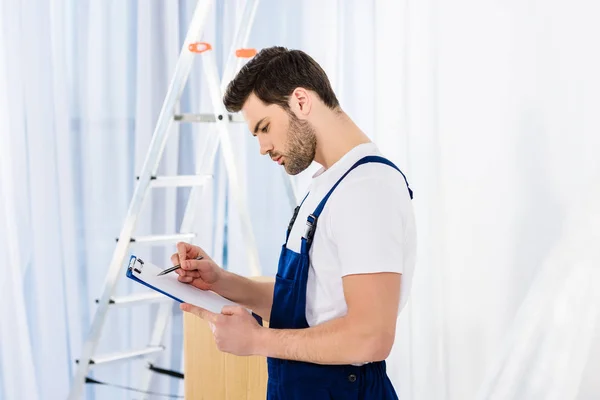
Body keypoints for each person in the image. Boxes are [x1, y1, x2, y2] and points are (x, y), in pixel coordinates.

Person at [172, 46, 416, 399]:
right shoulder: (329, 184)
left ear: (300, 101)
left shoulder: (366, 188)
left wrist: (257, 340)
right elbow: (311, 304)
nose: (262, 147)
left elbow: (371, 338)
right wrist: (221, 281)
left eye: (264, 127)